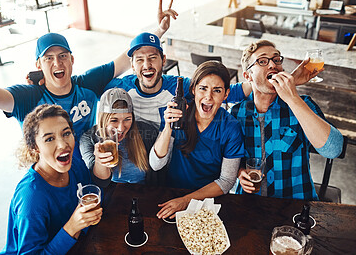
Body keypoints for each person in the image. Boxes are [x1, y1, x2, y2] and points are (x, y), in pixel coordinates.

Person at [0, 0, 177, 154]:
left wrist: (159, 31)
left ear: (72, 60)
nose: (57, 63)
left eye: (62, 56)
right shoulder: (29, 97)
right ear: (38, 64)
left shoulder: (88, 83)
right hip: (53, 171)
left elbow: (123, 61)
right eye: (48, 58)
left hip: (90, 166)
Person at [231, 39, 344, 200]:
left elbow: (334, 150)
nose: (272, 65)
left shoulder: (302, 105)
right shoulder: (235, 114)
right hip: (249, 205)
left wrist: (292, 98)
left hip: (296, 207)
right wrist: (240, 172)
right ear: (247, 76)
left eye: (276, 60)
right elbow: (224, 159)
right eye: (262, 61)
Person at [0, 104, 102, 254]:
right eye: (49, 139)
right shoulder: (31, 198)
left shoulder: (76, 165)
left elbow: (92, 193)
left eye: (66, 133)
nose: (62, 145)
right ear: (35, 147)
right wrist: (71, 227)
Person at [149, 61, 245, 219]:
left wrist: (186, 201)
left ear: (226, 94)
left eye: (217, 90)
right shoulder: (178, 114)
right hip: (171, 195)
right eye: (203, 88)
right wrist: (168, 127)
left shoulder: (231, 127)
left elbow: (227, 181)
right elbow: (156, 164)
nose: (208, 96)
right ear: (193, 90)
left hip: (207, 200)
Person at [105, 32, 251, 131]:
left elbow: (232, 91)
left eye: (152, 58)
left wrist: (259, 80)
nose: (147, 65)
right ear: (132, 65)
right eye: (139, 60)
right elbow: (90, 83)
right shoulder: (120, 87)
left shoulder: (178, 85)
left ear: (163, 60)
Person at [79, 88, 158, 185]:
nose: (121, 128)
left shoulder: (146, 131)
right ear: (103, 119)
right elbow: (101, 182)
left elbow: (159, 169)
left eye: (127, 119)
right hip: (112, 193)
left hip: (143, 190)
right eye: (114, 120)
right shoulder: (88, 139)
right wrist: (100, 162)